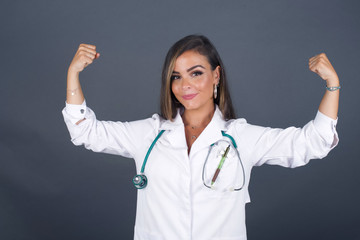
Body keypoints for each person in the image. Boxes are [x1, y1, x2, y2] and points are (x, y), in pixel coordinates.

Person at [62, 35, 339, 240]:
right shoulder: (149, 134)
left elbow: (312, 143)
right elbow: (85, 131)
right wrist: (73, 74)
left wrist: (332, 85)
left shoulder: (240, 137)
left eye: (196, 73)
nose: (185, 86)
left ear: (216, 75)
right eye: (176, 77)